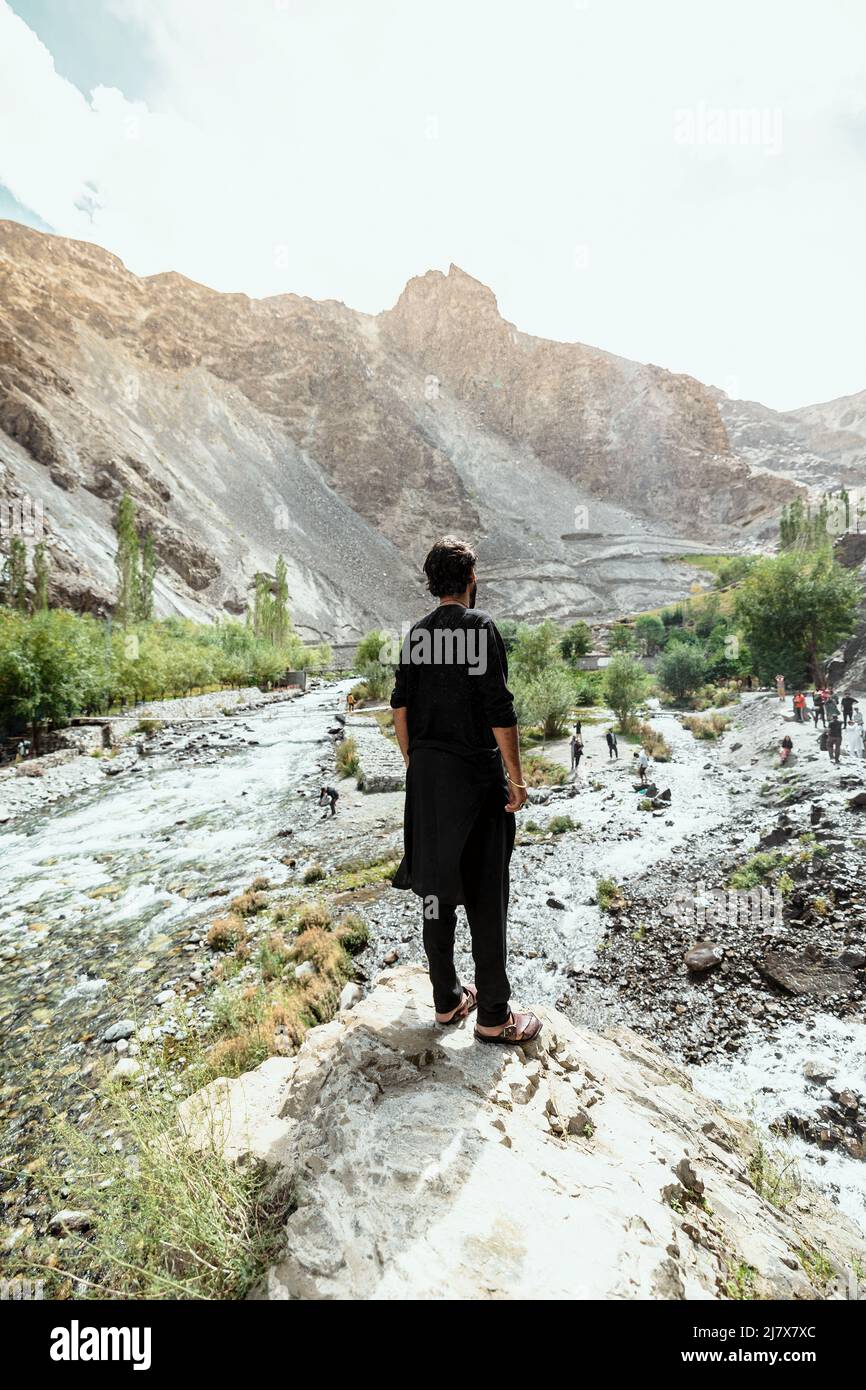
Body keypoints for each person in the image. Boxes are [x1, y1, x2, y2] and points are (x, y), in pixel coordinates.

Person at [390, 536, 541, 1045]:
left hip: (427, 785)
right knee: (485, 894)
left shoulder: (416, 635)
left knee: (434, 893)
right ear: (471, 580)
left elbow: (399, 709)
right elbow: (500, 710)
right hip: (477, 782)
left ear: (434, 584)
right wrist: (516, 780)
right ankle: (494, 1016)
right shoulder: (480, 629)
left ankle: (447, 1000)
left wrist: (418, 764)